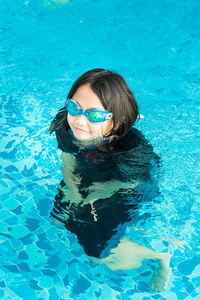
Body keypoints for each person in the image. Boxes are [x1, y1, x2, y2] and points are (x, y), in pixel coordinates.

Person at [49, 68, 171, 291]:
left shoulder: (132, 151)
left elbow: (131, 184)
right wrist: (74, 191)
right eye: (75, 107)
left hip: (127, 187)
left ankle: (161, 257)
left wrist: (92, 197)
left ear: (117, 121)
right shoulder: (66, 125)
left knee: (96, 251)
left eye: (94, 115)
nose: (80, 120)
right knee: (59, 219)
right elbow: (68, 160)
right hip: (87, 176)